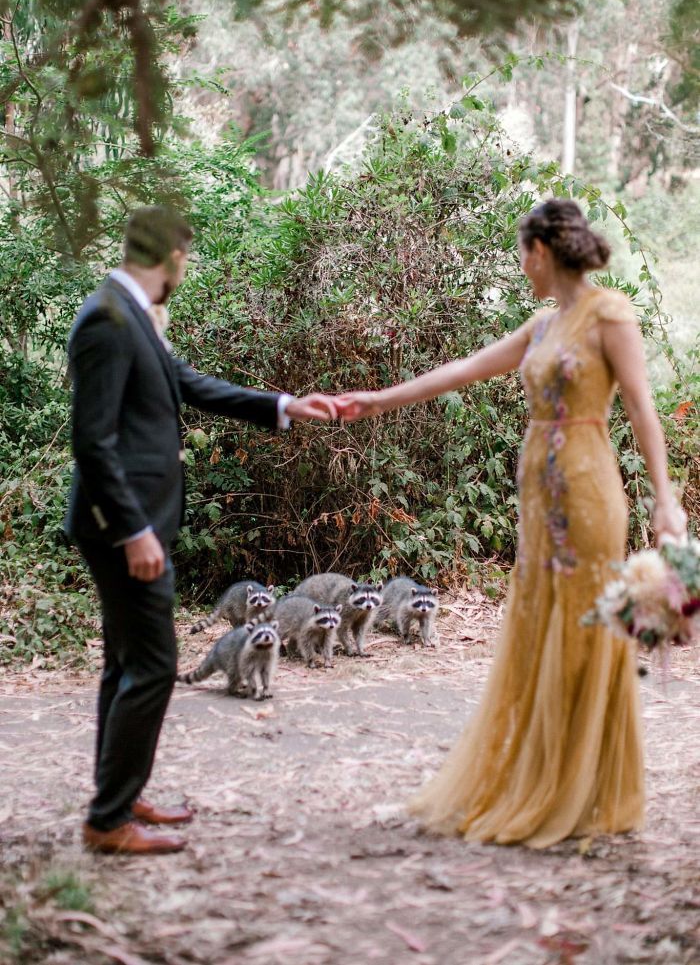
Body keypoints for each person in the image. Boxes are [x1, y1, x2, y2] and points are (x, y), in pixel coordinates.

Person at [335, 199, 687, 848]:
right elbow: (463, 370)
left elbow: (642, 408)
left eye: (523, 254)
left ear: (541, 251)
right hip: (538, 499)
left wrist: (666, 499)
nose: (522, 265)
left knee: (584, 627)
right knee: (538, 622)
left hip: (587, 491)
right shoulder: (542, 325)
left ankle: (580, 788)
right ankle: (538, 776)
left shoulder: (610, 314)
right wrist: (376, 401)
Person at [65, 206, 337, 855]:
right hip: (124, 526)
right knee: (155, 665)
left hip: (136, 521)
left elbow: (185, 382)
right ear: (173, 256)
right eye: (186, 259)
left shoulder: (130, 313)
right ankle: (108, 820)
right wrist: (133, 530)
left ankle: (120, 796)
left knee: (125, 665)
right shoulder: (107, 319)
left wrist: (281, 405)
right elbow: (93, 441)